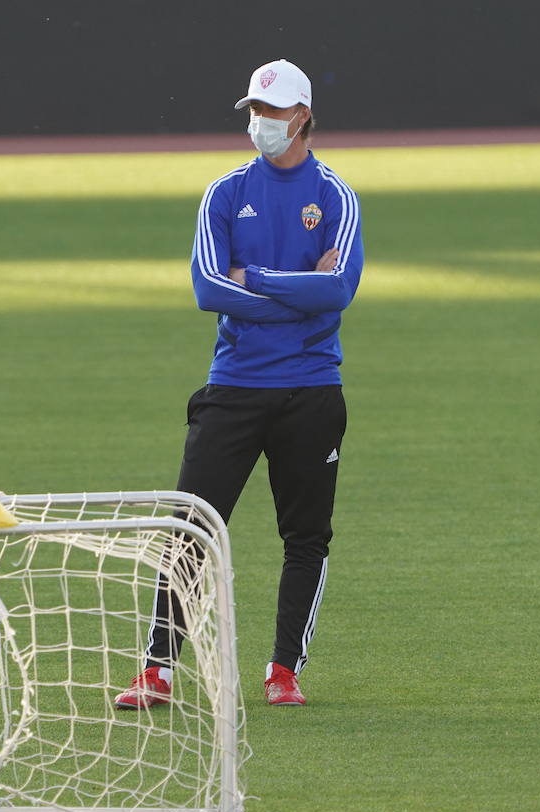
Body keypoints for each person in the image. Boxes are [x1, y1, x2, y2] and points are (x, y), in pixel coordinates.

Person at [115, 58, 364, 709]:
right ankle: (156, 669)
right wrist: (301, 288)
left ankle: (284, 670)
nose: (262, 124)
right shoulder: (225, 193)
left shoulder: (335, 195)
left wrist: (257, 279)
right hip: (235, 386)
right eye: (255, 112)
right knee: (192, 524)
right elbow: (207, 288)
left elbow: (339, 291)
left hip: (311, 390)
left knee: (306, 535)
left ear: (304, 116)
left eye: (274, 113)